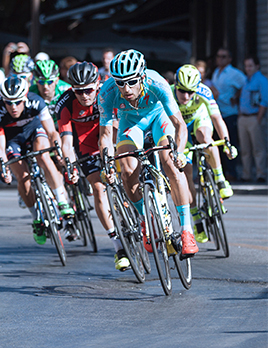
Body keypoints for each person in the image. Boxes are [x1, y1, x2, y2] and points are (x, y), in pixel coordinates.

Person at [98, 49, 199, 257]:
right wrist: (107, 164)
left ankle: (187, 231)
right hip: (131, 123)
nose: (126, 89)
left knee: (170, 162)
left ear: (142, 76)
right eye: (120, 82)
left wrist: (179, 152)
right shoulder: (106, 92)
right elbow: (105, 136)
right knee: (126, 169)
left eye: (132, 81)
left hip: (158, 119)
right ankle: (146, 220)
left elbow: (179, 125)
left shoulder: (158, 83)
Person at [55, 61, 128, 271]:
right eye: (79, 92)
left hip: (111, 135)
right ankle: (119, 248)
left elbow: (122, 122)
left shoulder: (109, 91)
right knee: (98, 188)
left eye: (88, 90)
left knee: (127, 160)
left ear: (97, 84)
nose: (85, 96)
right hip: (85, 146)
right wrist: (70, 165)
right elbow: (66, 143)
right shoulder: (66, 104)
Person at [0, 76, 75, 245]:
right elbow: (1, 145)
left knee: (43, 154)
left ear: (25, 97)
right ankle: (36, 219)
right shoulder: (0, 110)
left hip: (35, 133)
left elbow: (52, 132)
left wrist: (57, 148)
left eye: (17, 102)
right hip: (13, 140)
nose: (13, 107)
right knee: (23, 177)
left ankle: (61, 201)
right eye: (8, 102)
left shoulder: (36, 102)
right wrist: (3, 164)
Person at [171, 64, 237, 243]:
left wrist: (227, 143)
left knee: (206, 137)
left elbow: (217, 119)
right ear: (175, 85)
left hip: (199, 121)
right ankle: (196, 220)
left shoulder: (204, 91)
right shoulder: (168, 95)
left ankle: (220, 179)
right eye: (182, 91)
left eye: (191, 92)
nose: (186, 96)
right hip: (180, 131)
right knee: (186, 174)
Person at [212, 48, 246, 182]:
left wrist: (237, 97)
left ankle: (233, 172)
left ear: (229, 59)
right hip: (217, 112)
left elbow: (245, 85)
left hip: (229, 113)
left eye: (223, 56)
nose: (220, 59)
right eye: (218, 56)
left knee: (230, 143)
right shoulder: (216, 72)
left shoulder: (234, 73)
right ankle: (224, 172)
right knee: (218, 144)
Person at [238, 55, 268, 183]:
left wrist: (259, 118)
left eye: (250, 66)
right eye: (246, 66)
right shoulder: (246, 80)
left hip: (254, 117)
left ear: (257, 66)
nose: (248, 68)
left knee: (258, 148)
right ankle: (247, 174)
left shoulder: (261, 80)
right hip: (243, 117)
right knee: (245, 149)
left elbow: (264, 101)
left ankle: (261, 173)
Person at [30, 60, 71, 125]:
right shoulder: (30, 93)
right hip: (40, 126)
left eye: (50, 82)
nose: (45, 86)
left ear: (57, 80)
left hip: (62, 123)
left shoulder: (67, 90)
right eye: (41, 82)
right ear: (35, 81)